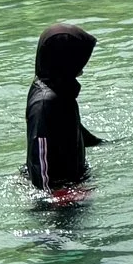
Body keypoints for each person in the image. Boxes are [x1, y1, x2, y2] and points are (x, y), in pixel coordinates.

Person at [24, 23, 103, 197]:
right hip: (59, 190)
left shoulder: (58, 86)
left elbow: (67, 125)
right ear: (65, 59)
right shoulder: (44, 102)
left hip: (72, 179)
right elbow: (40, 150)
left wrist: (99, 143)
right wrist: (50, 196)